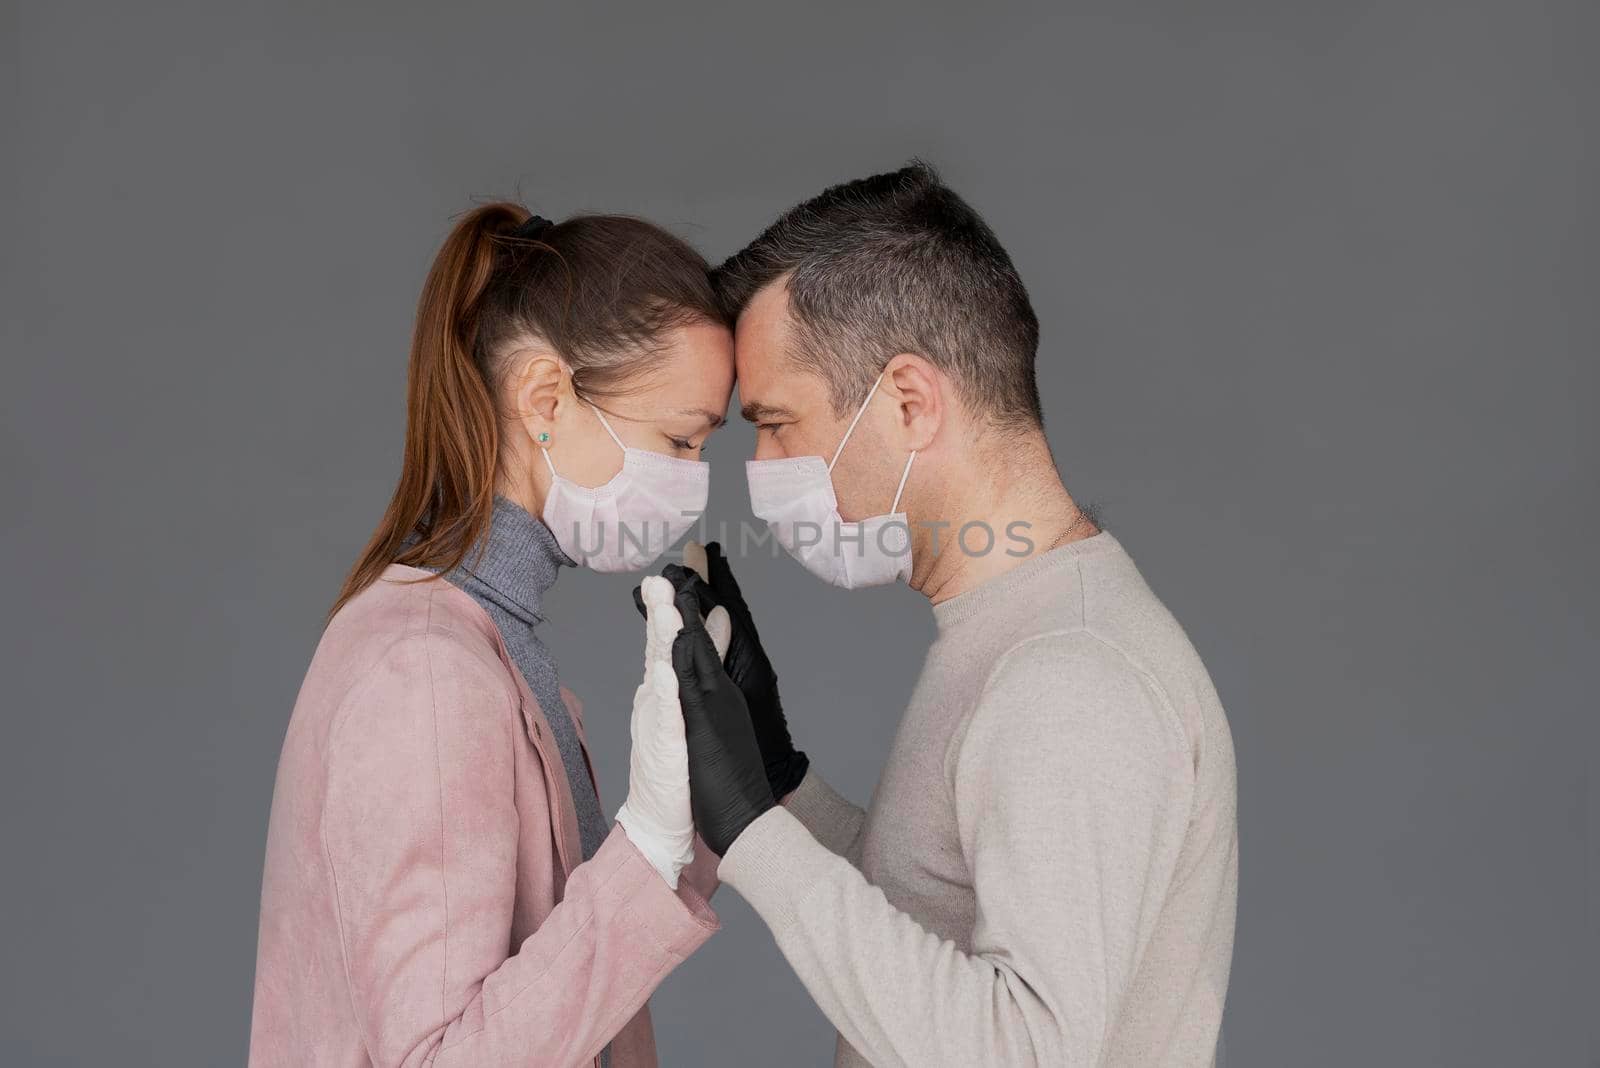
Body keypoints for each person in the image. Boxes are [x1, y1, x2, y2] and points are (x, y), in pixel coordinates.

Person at [653, 163, 1239, 1066]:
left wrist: (755, 839)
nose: (759, 467)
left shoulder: (1071, 674)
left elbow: (1025, 1050)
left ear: (910, 402)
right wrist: (779, 785)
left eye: (777, 423)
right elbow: (942, 913)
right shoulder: (1020, 635)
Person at [248, 205, 737, 1068]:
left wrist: (706, 807)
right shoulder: (426, 675)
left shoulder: (492, 650)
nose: (693, 484)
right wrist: (647, 845)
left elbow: (565, 992)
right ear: (546, 399)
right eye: (679, 440)